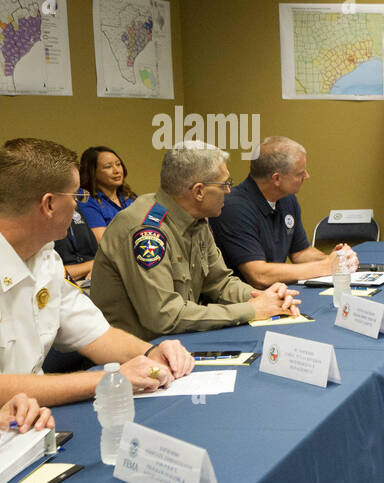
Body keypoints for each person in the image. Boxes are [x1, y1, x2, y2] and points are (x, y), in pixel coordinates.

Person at [0, 137, 194, 406]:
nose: (80, 205)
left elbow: (95, 334)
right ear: (49, 204)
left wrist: (151, 352)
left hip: (30, 421)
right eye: (77, 195)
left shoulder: (45, 258)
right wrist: (109, 379)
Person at [90, 142, 300, 341]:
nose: (229, 191)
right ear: (198, 191)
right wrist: (252, 310)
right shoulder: (146, 232)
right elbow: (165, 316)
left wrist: (264, 297)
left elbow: (220, 283)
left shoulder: (196, 219)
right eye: (224, 184)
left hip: (178, 340)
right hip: (137, 354)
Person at [210, 136, 358, 287]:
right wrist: (325, 266)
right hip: (244, 302)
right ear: (276, 179)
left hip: (277, 293)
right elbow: (259, 276)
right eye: (299, 173)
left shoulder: (287, 199)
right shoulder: (233, 208)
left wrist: (336, 259)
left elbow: (300, 253)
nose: (306, 176)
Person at [79, 146, 137, 242]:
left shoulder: (129, 196)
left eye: (118, 164)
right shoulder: (86, 199)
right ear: (92, 172)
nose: (117, 171)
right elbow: (103, 242)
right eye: (108, 167)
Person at [53, 201, 98, 282]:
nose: (75, 203)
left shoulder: (75, 208)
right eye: (71, 195)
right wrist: (96, 265)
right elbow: (53, 274)